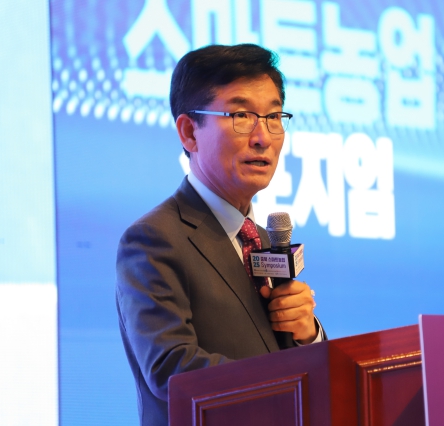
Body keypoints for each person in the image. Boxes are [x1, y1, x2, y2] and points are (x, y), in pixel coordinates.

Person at [115, 44, 323, 426]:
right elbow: (171, 368)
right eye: (241, 115)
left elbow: (286, 353)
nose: (263, 137)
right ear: (189, 132)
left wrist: (307, 335)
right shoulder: (154, 240)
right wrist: (286, 385)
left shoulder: (263, 240)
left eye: (274, 116)